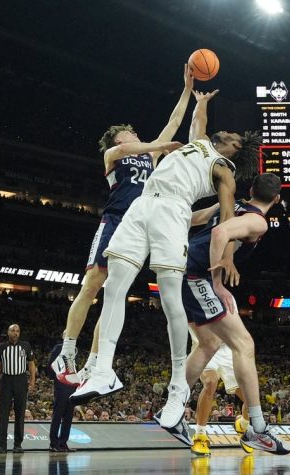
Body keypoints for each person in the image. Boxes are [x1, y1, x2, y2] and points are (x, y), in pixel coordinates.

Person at [71, 86, 263, 442]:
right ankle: (103, 371)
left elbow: (226, 219)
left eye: (232, 134)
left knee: (171, 299)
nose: (225, 131)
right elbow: (198, 122)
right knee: (114, 286)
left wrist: (225, 259)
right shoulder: (202, 142)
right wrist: (199, 101)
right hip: (142, 204)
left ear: (236, 147)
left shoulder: (225, 170)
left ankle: (178, 390)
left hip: (174, 211)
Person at [52, 65, 195, 386]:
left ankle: (93, 363)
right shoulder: (114, 153)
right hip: (114, 221)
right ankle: (67, 350)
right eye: (131, 133)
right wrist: (157, 146)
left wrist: (186, 90)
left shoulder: (150, 156)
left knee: (112, 295)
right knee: (91, 285)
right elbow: (132, 147)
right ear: (119, 137)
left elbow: (173, 123)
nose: (137, 135)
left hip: (137, 229)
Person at [181, 173, 290, 454]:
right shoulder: (258, 221)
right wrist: (217, 282)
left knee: (209, 343)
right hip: (198, 275)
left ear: (251, 189)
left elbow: (192, 219)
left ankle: (172, 407)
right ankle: (258, 429)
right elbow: (220, 233)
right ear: (276, 199)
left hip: (188, 269)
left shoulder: (229, 205)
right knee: (244, 344)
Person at [188, 337, 251, 457]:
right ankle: (200, 436)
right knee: (210, 382)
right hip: (205, 347)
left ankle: (243, 424)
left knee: (251, 398)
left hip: (229, 351)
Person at [0, 324, 36, 454]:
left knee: (20, 413)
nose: (15, 333)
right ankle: (2, 445)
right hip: (6, 380)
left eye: (17, 331)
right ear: (8, 332)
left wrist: (32, 381)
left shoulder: (26, 346)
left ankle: (18, 444)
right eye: (13, 330)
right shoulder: (1, 347)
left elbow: (31, 364)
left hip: (21, 380)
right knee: (3, 413)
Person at [47, 340, 77, 452]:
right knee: (58, 415)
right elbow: (50, 364)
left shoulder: (74, 350)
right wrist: (56, 379)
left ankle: (63, 443)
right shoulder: (59, 347)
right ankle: (54, 443)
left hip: (72, 386)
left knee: (68, 417)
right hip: (61, 385)